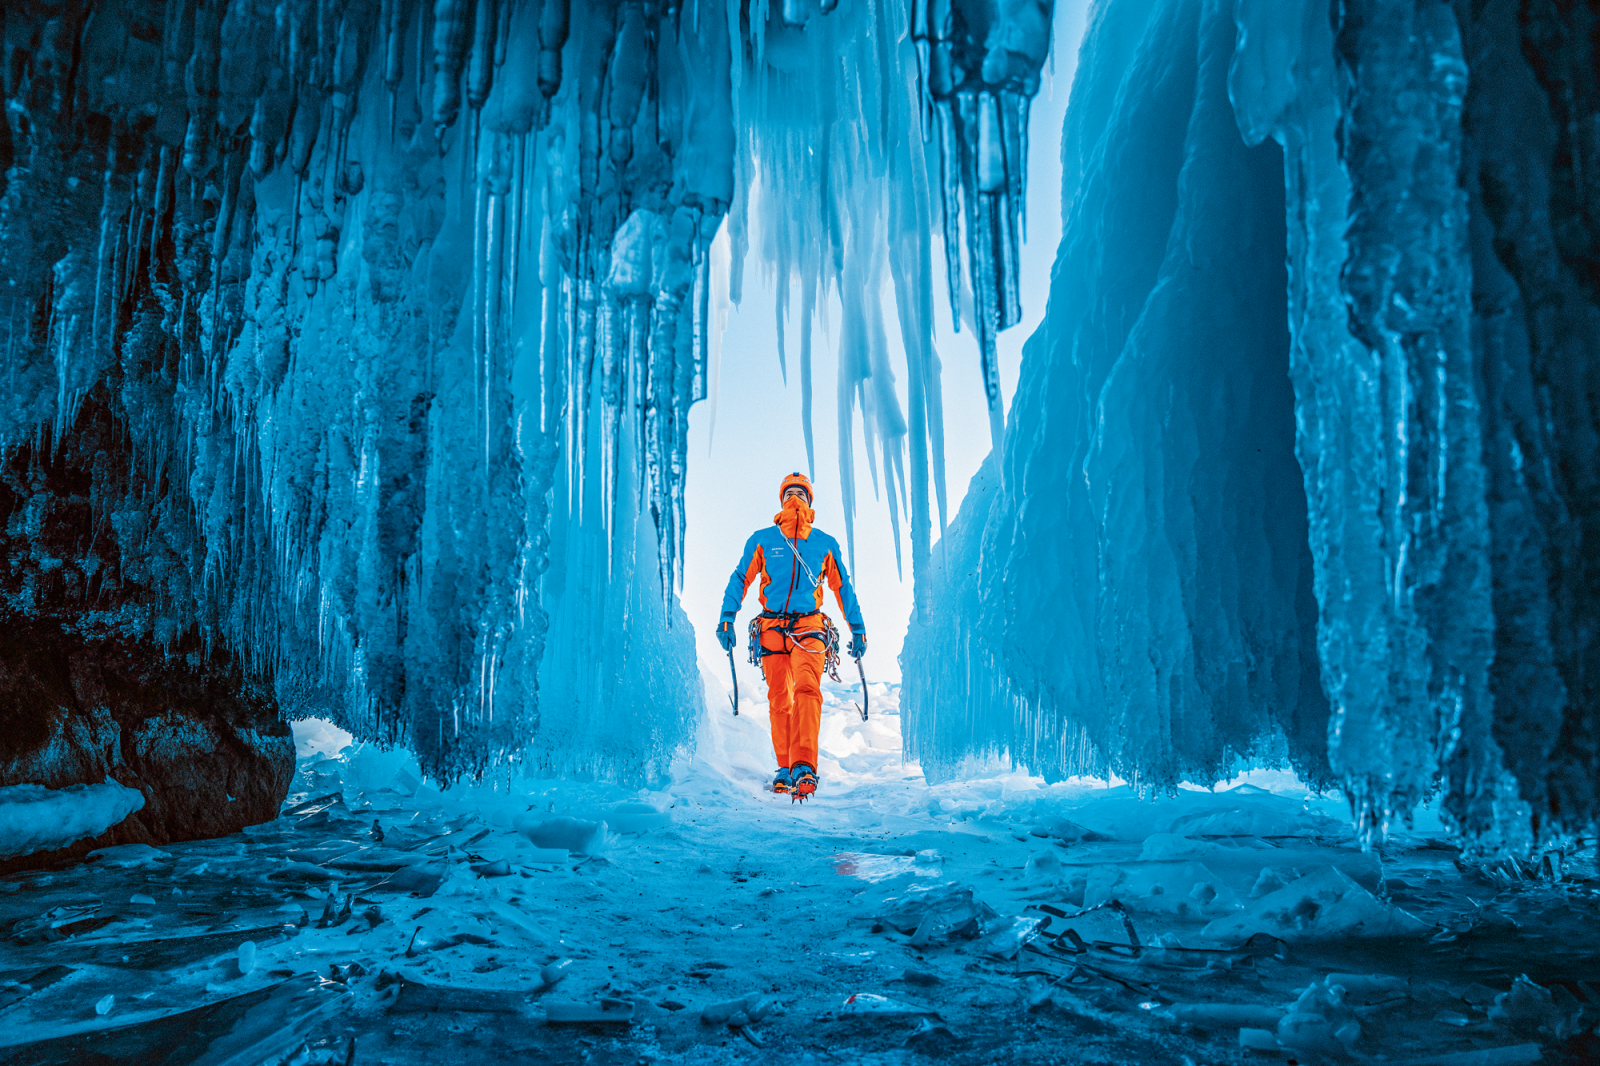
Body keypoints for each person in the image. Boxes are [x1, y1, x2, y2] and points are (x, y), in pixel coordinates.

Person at [717, 472, 866, 799]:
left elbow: (843, 588)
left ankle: (804, 766)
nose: (794, 496)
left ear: (809, 501)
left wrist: (858, 627)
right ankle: (784, 768)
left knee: (807, 688)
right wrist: (728, 616)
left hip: (809, 627)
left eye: (800, 492)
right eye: (790, 492)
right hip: (771, 630)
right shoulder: (763, 539)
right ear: (782, 499)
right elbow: (741, 577)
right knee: (779, 700)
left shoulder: (824, 543)